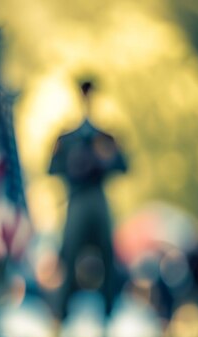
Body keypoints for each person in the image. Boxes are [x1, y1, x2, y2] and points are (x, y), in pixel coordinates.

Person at [48, 80, 127, 319]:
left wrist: (102, 160)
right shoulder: (66, 136)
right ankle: (61, 315)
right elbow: (52, 168)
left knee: (108, 256)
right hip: (77, 198)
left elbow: (123, 166)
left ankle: (109, 313)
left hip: (97, 197)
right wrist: (74, 165)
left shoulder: (105, 136)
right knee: (69, 253)